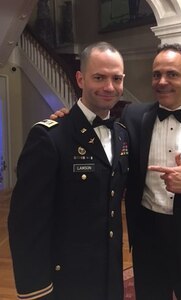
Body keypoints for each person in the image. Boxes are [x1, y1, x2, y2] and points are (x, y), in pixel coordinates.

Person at [50, 43, 181, 300]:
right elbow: (99, 130)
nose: (162, 81)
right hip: (148, 242)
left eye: (172, 74)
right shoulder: (134, 116)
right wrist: (68, 118)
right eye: (157, 74)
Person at [8, 41, 129, 300]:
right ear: (80, 79)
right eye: (99, 77)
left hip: (109, 275)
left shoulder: (121, 135)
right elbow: (26, 223)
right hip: (66, 280)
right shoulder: (50, 137)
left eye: (116, 78)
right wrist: (36, 290)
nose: (109, 87)